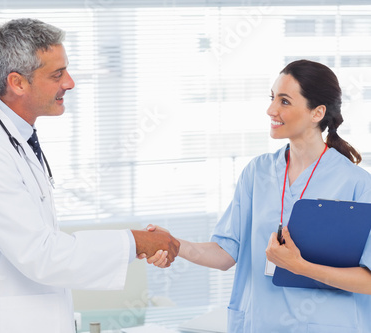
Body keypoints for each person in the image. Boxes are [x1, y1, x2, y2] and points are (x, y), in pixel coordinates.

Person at [0, 18, 179, 333]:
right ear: (17, 82)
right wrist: (134, 241)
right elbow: (42, 254)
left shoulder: (15, 139)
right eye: (57, 74)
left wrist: (135, 244)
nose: (69, 82)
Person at [146, 59, 371, 332]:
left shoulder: (357, 184)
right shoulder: (257, 172)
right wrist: (174, 244)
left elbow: (367, 280)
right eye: (272, 98)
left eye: (284, 101)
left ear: (317, 113)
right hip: (260, 323)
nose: (271, 110)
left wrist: (299, 266)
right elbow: (226, 253)